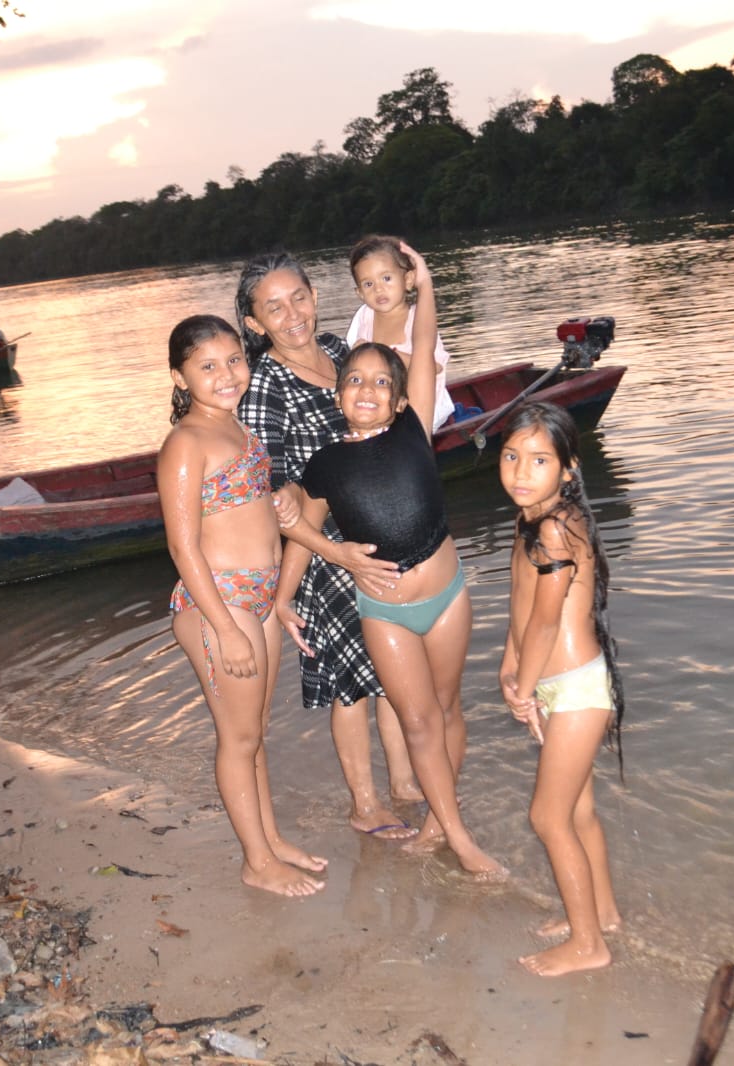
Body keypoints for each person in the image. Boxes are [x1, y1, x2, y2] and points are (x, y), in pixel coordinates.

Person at [276, 244, 506, 881]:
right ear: (339, 395)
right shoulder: (324, 464)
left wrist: (424, 284)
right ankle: (459, 838)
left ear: (403, 398)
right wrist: (282, 596)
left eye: (383, 381)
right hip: (387, 611)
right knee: (418, 721)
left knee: (450, 710)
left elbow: (423, 340)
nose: (369, 389)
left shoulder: (414, 431)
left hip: (447, 592)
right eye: (355, 379)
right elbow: (303, 531)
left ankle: (437, 823)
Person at [235, 251, 423, 841]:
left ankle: (405, 783)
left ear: (315, 296)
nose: (292, 314)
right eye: (274, 307)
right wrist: (332, 553)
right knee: (351, 683)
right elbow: (270, 492)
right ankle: (364, 803)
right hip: (326, 553)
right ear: (256, 324)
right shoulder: (265, 380)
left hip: (378, 535)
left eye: (299, 297)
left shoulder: (343, 354)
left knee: (392, 670)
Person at [158, 314, 326, 897]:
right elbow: (182, 546)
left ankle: (271, 840)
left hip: (256, 597)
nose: (226, 375)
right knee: (237, 739)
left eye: (234, 360)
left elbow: (250, 499)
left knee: (253, 733)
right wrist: (225, 627)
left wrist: (280, 497)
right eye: (207, 366)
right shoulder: (186, 442)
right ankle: (256, 862)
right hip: (220, 603)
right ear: (181, 377)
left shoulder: (239, 430)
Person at [497, 401, 625, 976]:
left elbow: (547, 621)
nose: (521, 472)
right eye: (511, 456)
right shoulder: (537, 517)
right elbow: (521, 609)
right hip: (563, 684)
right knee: (579, 811)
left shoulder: (552, 529)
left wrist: (524, 690)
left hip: (572, 688)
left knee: (548, 818)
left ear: (569, 468)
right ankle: (600, 914)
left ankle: (587, 944)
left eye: (539, 460)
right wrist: (510, 661)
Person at [344, 235, 454, 433]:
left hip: (423, 408)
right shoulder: (364, 316)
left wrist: (394, 357)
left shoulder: (418, 320)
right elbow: (352, 358)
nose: (379, 288)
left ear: (408, 280)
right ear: (359, 292)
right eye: (368, 284)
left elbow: (435, 366)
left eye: (387, 278)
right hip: (383, 403)